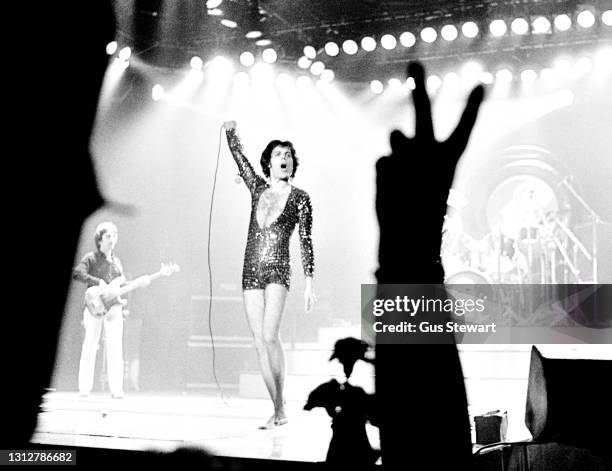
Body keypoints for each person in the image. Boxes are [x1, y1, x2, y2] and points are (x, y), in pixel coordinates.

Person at [374, 62, 485, 469]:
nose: (395, 140)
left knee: (408, 421)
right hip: (416, 287)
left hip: (402, 289)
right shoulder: (409, 175)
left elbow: (409, 153)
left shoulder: (391, 174)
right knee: (440, 415)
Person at [222, 120, 317, 429]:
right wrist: (230, 132)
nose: (284, 157)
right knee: (258, 342)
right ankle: (277, 407)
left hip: (278, 268)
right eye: (279, 153)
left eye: (288, 154)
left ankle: (280, 408)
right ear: (270, 161)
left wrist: (309, 282)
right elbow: (240, 159)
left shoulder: (300, 197)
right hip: (250, 268)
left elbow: (305, 239)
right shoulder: (257, 188)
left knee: (269, 335)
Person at [72, 221, 148, 398]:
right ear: (100, 239)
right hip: (95, 307)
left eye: (114, 236)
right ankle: (84, 388)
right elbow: (78, 273)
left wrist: (139, 283)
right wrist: (97, 281)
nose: (112, 240)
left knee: (115, 347)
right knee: (90, 345)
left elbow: (119, 287)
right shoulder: (91, 258)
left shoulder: (117, 262)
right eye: (108, 236)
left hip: (114, 307)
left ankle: (116, 389)